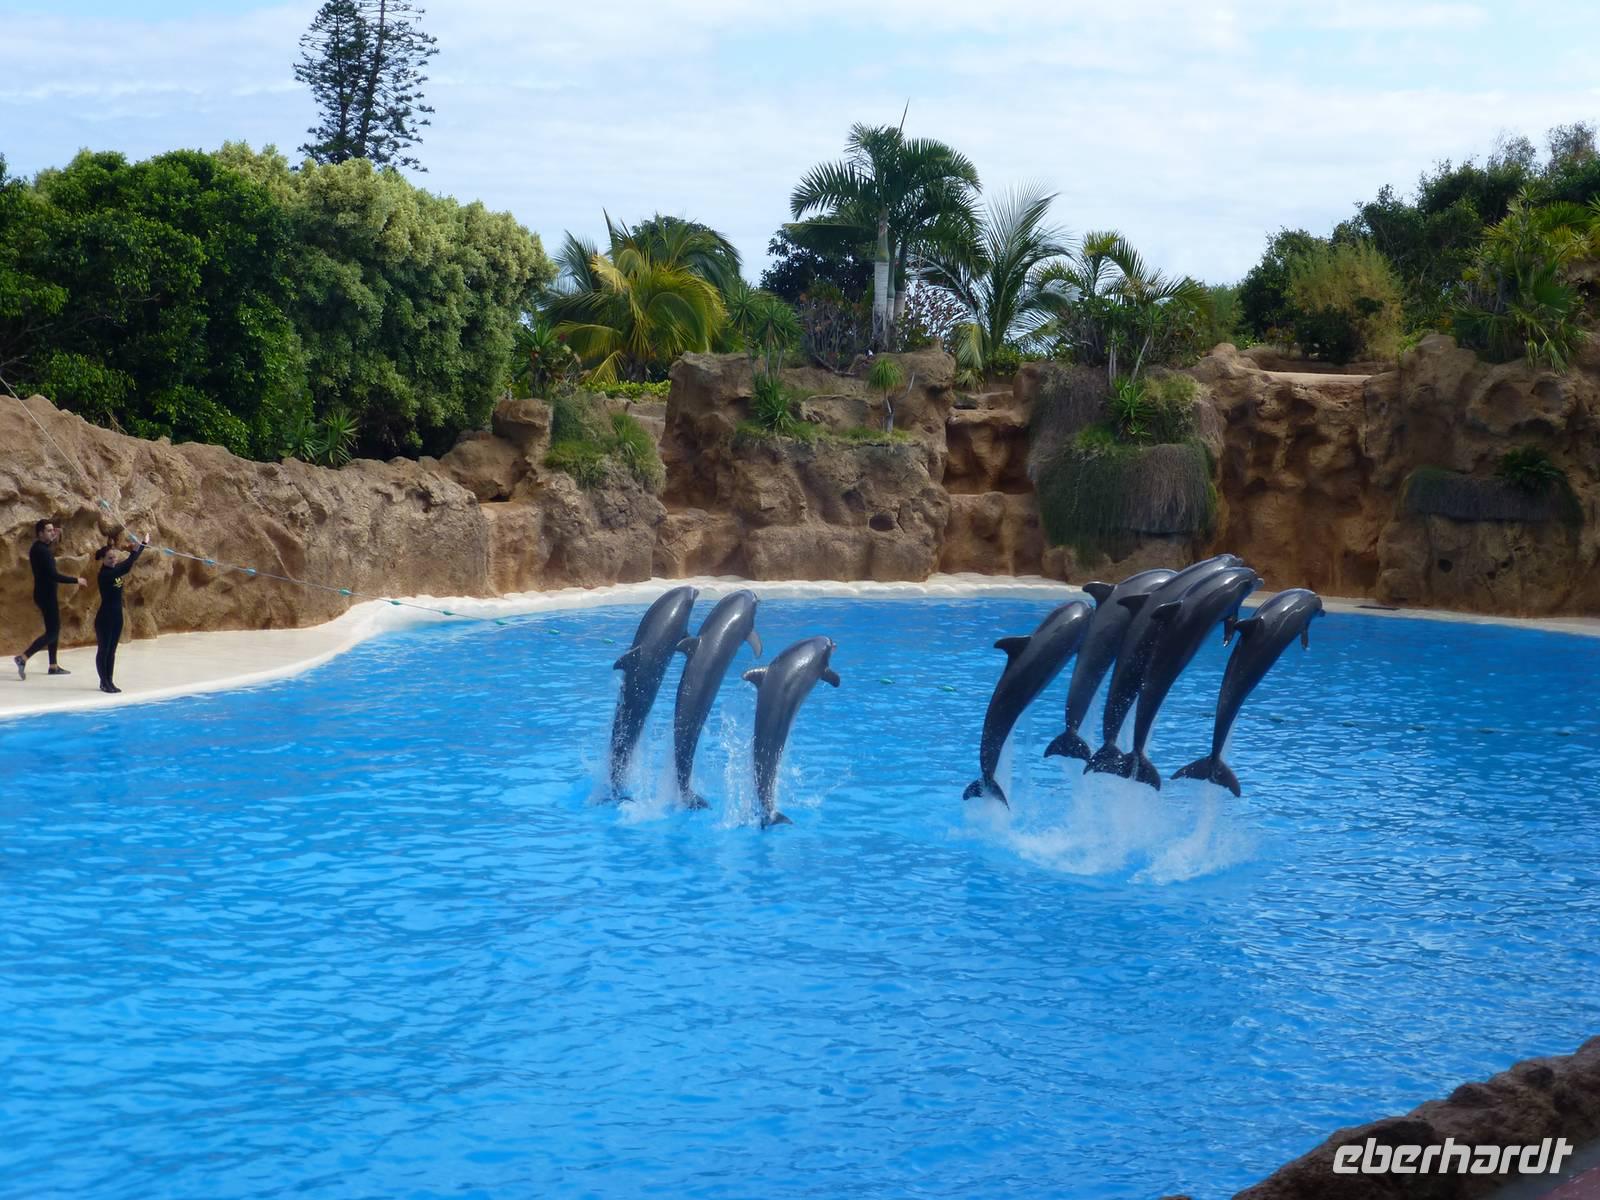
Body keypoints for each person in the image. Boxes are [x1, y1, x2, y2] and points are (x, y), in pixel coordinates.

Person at [14, 518, 87, 680]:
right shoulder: (42, 551)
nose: (52, 532)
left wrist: (53, 539)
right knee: (53, 632)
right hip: (46, 595)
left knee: (53, 629)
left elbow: (46, 552)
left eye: (52, 530)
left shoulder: (39, 548)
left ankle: (53, 666)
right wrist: (76, 580)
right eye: (48, 530)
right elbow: (53, 575)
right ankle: (23, 657)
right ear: (40, 533)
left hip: (44, 594)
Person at [92, 532, 149, 694]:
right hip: (105, 618)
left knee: (112, 651)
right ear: (103, 560)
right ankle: (103, 682)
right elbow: (128, 564)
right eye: (110, 558)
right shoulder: (105, 574)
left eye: (114, 557)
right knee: (104, 650)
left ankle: (110, 680)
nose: (113, 560)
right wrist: (139, 548)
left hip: (117, 617)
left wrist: (142, 545)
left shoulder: (115, 569)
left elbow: (128, 563)